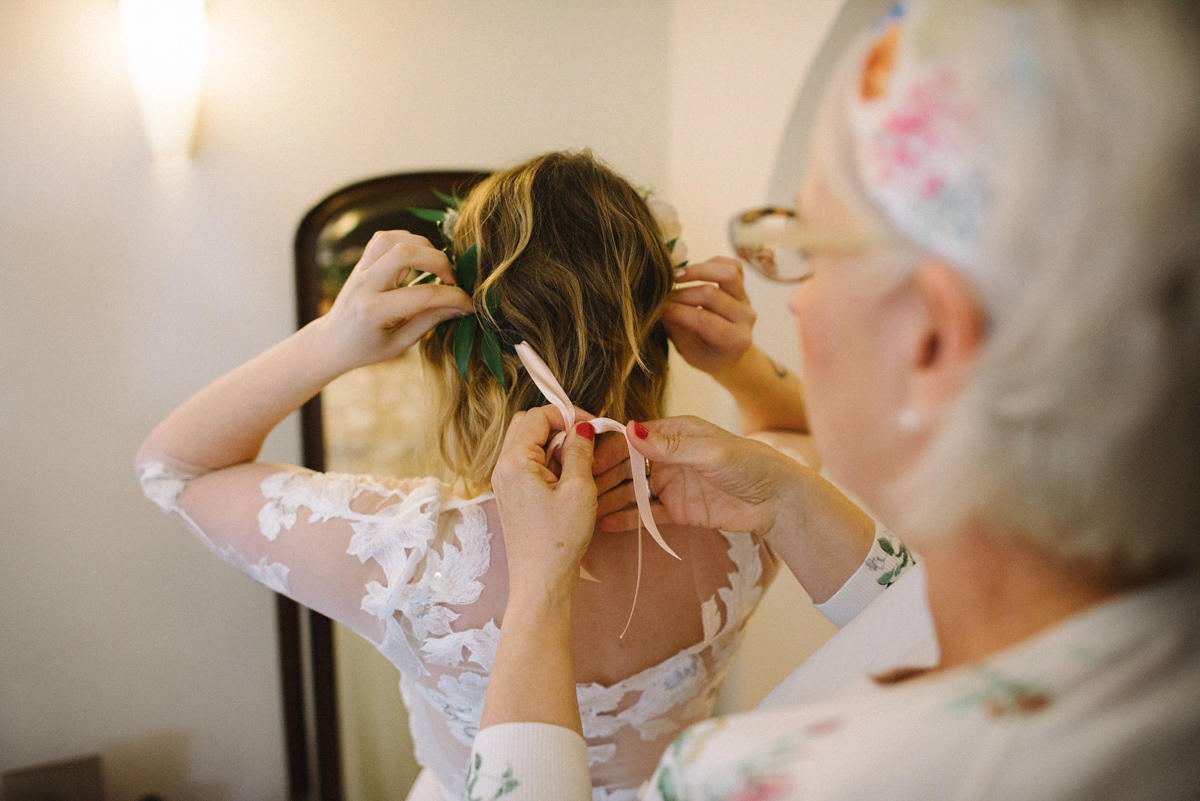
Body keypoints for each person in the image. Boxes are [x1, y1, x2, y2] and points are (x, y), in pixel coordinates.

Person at [467, 1, 1200, 798]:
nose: (799, 305)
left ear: (932, 343)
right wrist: (788, 494)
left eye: (808, 248)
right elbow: (910, 614)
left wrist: (540, 588)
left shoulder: (751, 781)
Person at [135, 151, 910, 801]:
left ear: (453, 353)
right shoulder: (743, 507)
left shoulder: (409, 554)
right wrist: (740, 360)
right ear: (658, 324)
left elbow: (176, 467)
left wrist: (333, 340)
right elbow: (796, 431)